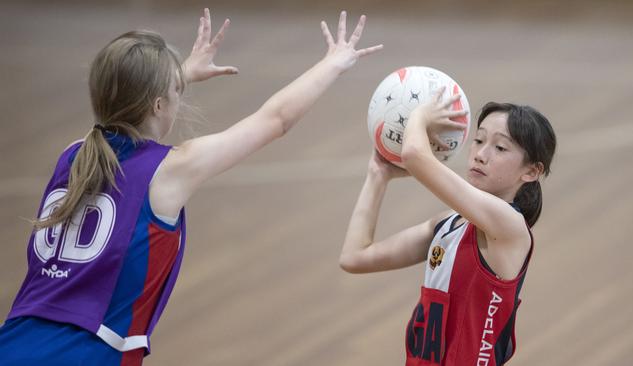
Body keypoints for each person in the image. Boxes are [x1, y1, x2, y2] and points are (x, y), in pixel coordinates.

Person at [0, 8, 382, 366]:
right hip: (80, 356)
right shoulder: (168, 171)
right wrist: (333, 62)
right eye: (175, 92)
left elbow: (125, 104)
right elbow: (276, 120)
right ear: (158, 105)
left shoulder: (74, 154)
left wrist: (174, 79)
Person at [339, 89, 556, 365]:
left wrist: (419, 114)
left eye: (500, 148)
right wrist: (377, 176)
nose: (480, 154)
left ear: (531, 172)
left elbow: (414, 155)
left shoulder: (509, 227)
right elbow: (355, 257)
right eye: (478, 141)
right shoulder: (447, 225)